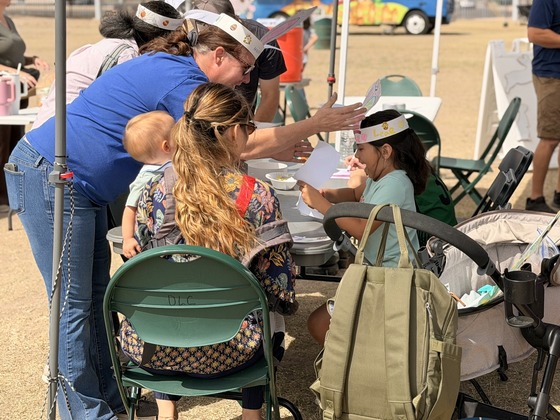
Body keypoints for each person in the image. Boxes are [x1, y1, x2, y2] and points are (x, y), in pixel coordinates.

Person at [5, 10, 364, 419]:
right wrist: (312, 125)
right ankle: (83, 411)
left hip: (77, 185)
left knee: (91, 299)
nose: (247, 79)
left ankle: (108, 394)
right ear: (218, 56)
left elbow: (228, 138)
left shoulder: (176, 72)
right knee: (73, 304)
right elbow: (228, 140)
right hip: (53, 177)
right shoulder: (184, 81)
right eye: (245, 68)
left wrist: (276, 142)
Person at [120, 82, 296, 420]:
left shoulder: (153, 191)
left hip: (154, 347)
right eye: (249, 127)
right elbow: (280, 289)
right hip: (235, 349)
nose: (249, 133)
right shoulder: (256, 195)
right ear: (232, 132)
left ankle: (166, 408)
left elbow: (146, 265)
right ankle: (252, 412)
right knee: (264, 307)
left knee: (169, 293)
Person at [298, 109, 431, 344]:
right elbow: (355, 193)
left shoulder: (396, 184)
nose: (357, 157)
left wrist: (322, 204)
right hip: (378, 273)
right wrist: (327, 193)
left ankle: (358, 365)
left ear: (386, 151)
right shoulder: (382, 178)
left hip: (391, 280)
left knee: (319, 325)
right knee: (320, 323)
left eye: (361, 149)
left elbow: (361, 228)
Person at [31, 1, 184, 129]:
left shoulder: (114, 46)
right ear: (160, 38)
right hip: (60, 138)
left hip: (52, 131)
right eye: (172, 44)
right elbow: (128, 109)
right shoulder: (125, 55)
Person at [191, 0, 287, 123]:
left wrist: (254, 135)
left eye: (247, 68)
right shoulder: (189, 40)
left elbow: (270, 95)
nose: (247, 78)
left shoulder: (261, 40)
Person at [0, 0, 49, 212]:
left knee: (14, 142)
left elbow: (14, 55)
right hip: (3, 89)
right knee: (1, 145)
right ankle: (3, 199)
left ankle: (13, 196)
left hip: (16, 90)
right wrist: (16, 72)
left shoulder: (8, 20)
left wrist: (32, 59)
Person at [121, 111, 174, 259]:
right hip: (153, 236)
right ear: (167, 146)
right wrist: (128, 238)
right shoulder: (146, 177)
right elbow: (130, 209)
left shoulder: (174, 165)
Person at [525, 0, 560, 214]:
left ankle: (558, 194)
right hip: (551, 76)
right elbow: (535, 34)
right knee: (550, 138)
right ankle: (535, 197)